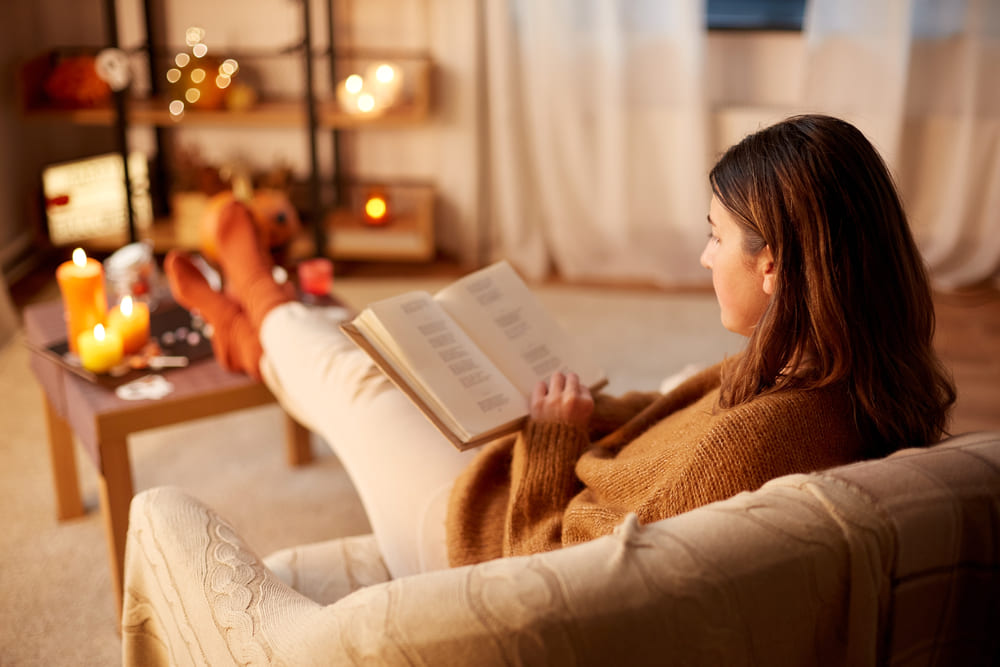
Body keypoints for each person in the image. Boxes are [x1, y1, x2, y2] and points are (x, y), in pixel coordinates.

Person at [164, 114, 955, 579]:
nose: (705, 257)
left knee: (355, 378)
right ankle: (258, 315)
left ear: (774, 262)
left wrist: (549, 440)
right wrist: (584, 415)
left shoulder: (762, 439)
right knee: (379, 358)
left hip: (480, 536)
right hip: (549, 473)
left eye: (715, 238)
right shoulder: (829, 364)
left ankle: (251, 302)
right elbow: (678, 416)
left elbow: (552, 568)